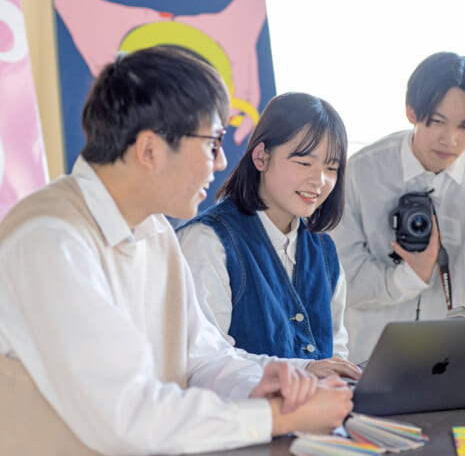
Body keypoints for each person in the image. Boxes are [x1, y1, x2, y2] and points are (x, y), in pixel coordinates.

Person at [0, 47, 352, 455]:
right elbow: (128, 417)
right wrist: (278, 418)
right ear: (149, 149)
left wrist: (267, 379)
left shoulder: (155, 232)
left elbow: (202, 359)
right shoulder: (50, 241)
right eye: (212, 143)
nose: (221, 161)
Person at [331, 52, 465, 363]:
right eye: (437, 121)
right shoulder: (363, 171)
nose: (450, 140)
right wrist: (408, 276)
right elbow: (339, 277)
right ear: (411, 112)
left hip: (457, 360)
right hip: (367, 356)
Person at [177, 92, 360, 379]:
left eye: (331, 167)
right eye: (304, 163)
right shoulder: (207, 241)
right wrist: (304, 371)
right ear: (261, 156)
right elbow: (203, 361)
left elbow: (336, 351)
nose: (320, 180)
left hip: (315, 420)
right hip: (241, 421)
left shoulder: (324, 250)